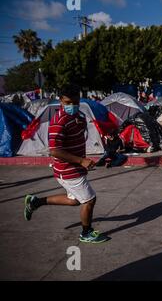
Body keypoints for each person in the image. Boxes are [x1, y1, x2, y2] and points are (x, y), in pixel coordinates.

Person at [23, 85, 108, 244]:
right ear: (60, 100)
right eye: (68, 102)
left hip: (75, 168)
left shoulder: (79, 115)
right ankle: (86, 233)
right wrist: (81, 161)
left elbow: (77, 135)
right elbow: (55, 151)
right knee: (89, 200)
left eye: (75, 102)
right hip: (68, 170)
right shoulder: (58, 121)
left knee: (74, 200)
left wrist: (79, 123)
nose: (72, 106)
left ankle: (35, 202)